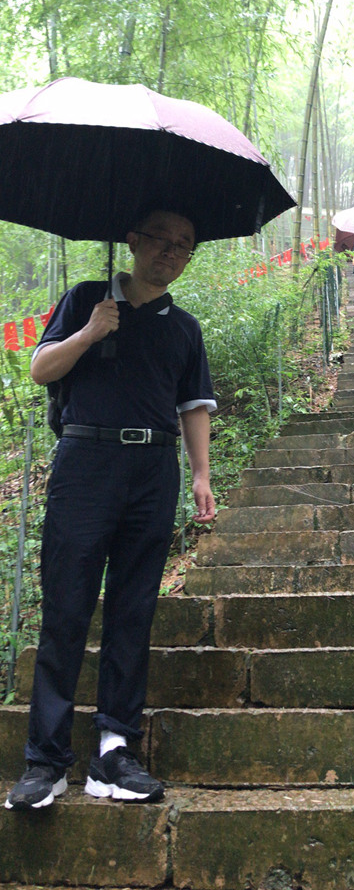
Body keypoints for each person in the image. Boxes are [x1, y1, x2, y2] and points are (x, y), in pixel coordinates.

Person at [5, 209, 217, 812]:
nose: (171, 251)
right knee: (66, 604)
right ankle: (45, 761)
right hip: (85, 462)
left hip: (153, 470)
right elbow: (40, 369)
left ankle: (114, 752)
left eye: (184, 245)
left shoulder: (184, 328)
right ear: (133, 241)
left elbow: (193, 406)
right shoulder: (85, 299)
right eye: (161, 240)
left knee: (133, 608)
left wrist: (201, 475)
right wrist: (90, 333)